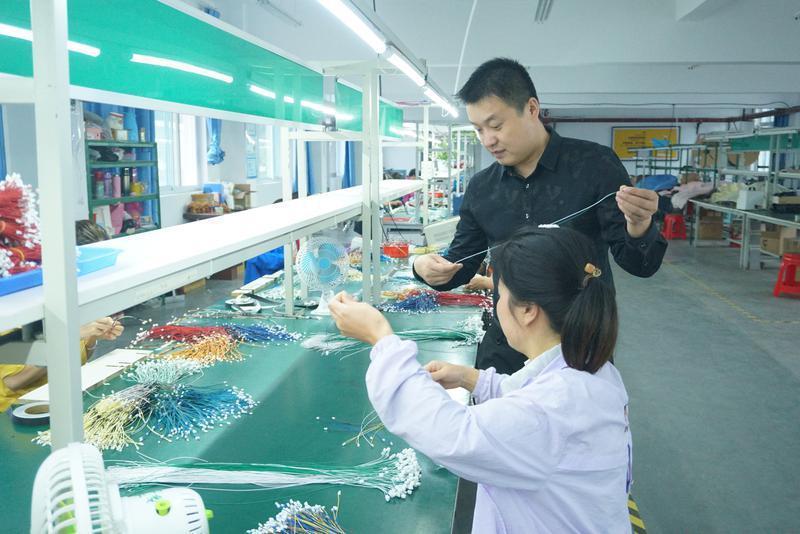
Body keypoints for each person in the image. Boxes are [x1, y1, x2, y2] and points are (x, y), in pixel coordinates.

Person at [328, 227, 631, 533]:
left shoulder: (552, 410)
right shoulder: (590, 369)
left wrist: (381, 337)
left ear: (528, 310)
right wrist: (472, 379)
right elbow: (528, 402)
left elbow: (450, 435)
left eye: (500, 293)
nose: (497, 302)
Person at [413, 58, 667, 374]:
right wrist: (423, 267)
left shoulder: (595, 166)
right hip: (506, 349)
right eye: (478, 129)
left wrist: (639, 226)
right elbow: (459, 266)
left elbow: (641, 264)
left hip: (579, 351)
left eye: (496, 126)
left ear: (532, 108)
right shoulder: (482, 188)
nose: (488, 140)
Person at [1, 220, 124, 411]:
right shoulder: (16, 307)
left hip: (59, 398)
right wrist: (68, 337)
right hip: (18, 409)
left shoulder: (68, 296)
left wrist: (93, 336)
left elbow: (80, 357)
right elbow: (13, 382)